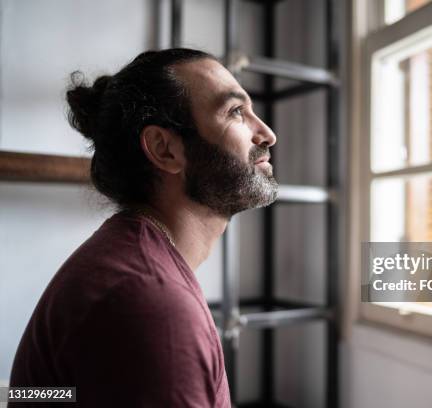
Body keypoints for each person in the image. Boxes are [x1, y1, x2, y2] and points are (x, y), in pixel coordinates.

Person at [8, 48, 278, 407]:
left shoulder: (132, 261)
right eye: (235, 112)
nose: (267, 134)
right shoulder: (151, 302)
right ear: (164, 150)